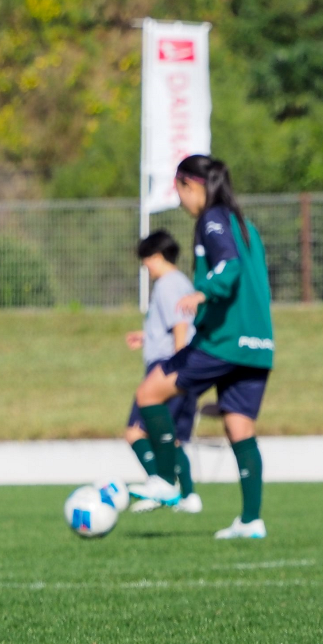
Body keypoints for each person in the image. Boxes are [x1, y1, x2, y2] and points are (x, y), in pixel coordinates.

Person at [128, 154, 275, 540]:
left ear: (192, 185)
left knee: (148, 394)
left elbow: (228, 269)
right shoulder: (246, 226)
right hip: (258, 344)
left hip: (223, 341)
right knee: (239, 426)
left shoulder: (211, 219)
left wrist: (203, 292)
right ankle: (251, 520)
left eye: (179, 190)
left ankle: (164, 480)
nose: (179, 200)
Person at [124, 229, 201, 514]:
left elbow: (180, 325)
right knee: (173, 436)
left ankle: (161, 486)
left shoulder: (167, 284)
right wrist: (146, 337)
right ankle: (190, 497)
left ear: (156, 257)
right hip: (182, 364)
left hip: (168, 366)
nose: (145, 265)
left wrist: (176, 366)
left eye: (146, 259)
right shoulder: (182, 282)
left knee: (135, 432)